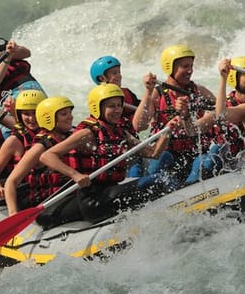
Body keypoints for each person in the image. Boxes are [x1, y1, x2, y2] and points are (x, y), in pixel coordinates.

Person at [37, 84, 176, 228]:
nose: (117, 110)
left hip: (110, 191)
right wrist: (75, 175)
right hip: (94, 200)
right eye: (111, 106)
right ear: (98, 108)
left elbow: (153, 153)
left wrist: (167, 131)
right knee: (157, 181)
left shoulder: (121, 133)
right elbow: (47, 156)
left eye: (119, 105)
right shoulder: (87, 133)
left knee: (157, 179)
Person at [132, 44, 216, 186]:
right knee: (163, 157)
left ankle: (192, 188)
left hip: (194, 154)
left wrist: (198, 116)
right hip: (165, 154)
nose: (190, 70)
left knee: (203, 162)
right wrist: (148, 91)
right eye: (185, 66)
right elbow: (139, 126)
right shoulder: (157, 94)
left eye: (191, 66)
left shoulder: (199, 91)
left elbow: (220, 110)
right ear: (170, 67)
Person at [4, 96, 75, 216]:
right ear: (50, 118)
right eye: (64, 114)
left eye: (70, 113)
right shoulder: (40, 146)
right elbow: (11, 181)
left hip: (66, 195)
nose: (71, 117)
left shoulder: (71, 137)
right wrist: (13, 213)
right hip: (47, 204)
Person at [0, 89, 46, 202]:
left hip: (45, 188)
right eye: (26, 114)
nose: (32, 118)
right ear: (20, 114)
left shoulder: (50, 133)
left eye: (35, 113)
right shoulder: (13, 141)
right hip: (23, 192)